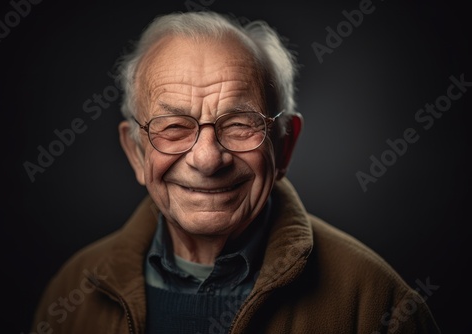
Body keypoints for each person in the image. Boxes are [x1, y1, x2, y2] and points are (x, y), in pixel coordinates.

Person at [31, 11, 441, 334]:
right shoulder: (71, 293)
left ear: (284, 145)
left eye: (240, 125)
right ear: (136, 153)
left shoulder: (379, 305)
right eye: (174, 128)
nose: (208, 160)